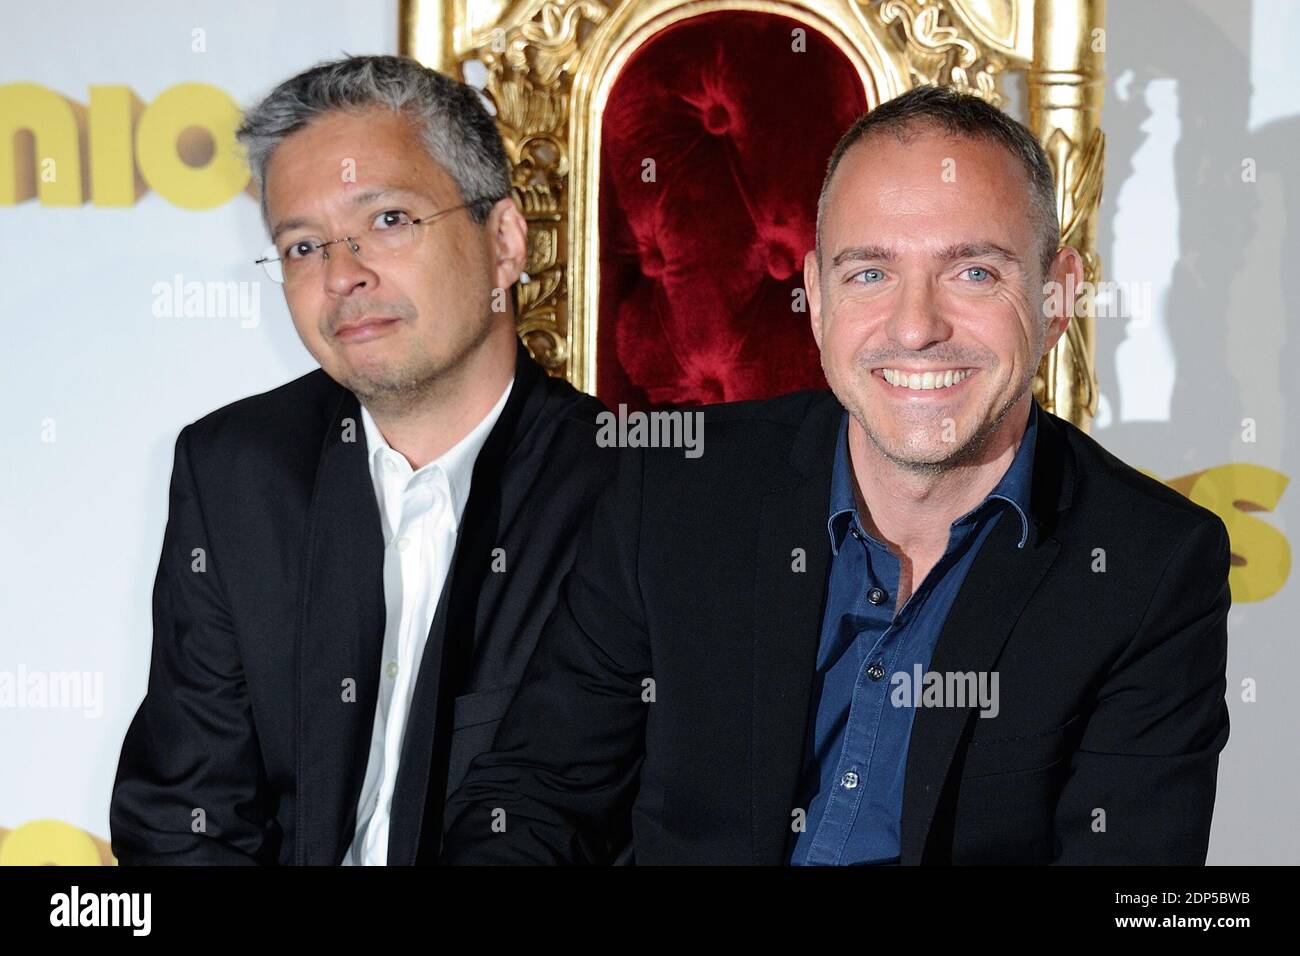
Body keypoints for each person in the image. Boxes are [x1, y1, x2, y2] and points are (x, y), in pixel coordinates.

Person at [440, 85, 1232, 865]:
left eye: (975, 273)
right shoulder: (674, 491)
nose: (916, 328)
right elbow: (537, 801)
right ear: (816, 298)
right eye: (869, 275)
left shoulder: (1150, 566)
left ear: (1058, 294)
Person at [110, 55, 614, 865]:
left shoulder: (630, 492)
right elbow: (186, 813)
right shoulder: (235, 469)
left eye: (387, 220)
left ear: (505, 242)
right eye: (303, 246)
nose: (342, 276)